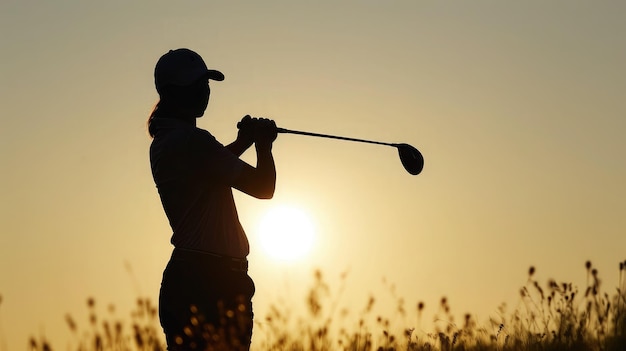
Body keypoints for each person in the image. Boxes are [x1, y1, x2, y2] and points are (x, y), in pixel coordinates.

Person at [147, 48, 277, 351]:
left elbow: (211, 171)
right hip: (211, 282)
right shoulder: (194, 141)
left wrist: (244, 141)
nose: (205, 92)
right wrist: (264, 145)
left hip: (192, 277)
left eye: (206, 84)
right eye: (197, 85)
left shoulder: (168, 139)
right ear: (177, 92)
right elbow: (263, 187)